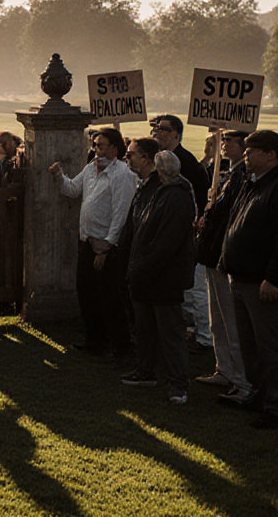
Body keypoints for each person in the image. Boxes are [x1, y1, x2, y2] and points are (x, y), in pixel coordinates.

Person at [219, 130, 278, 429]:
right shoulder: (253, 182)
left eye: (251, 151)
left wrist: (273, 279)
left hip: (265, 284)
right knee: (251, 348)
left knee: (273, 348)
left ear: (271, 154)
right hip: (243, 279)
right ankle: (259, 395)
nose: (245, 155)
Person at [50, 127, 137, 357]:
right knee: (87, 291)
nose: (96, 149)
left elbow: (120, 213)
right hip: (88, 240)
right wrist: (59, 176)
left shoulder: (123, 175)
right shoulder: (91, 169)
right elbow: (72, 189)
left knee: (109, 296)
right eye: (94, 145)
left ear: (114, 149)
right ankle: (95, 339)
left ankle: (121, 345)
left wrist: (107, 246)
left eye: (101, 145)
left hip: (107, 245)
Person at [120, 149, 197, 405]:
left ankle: (177, 384)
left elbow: (166, 241)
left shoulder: (176, 195)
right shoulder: (161, 190)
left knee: (170, 332)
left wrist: (141, 263)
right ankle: (146, 371)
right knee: (145, 328)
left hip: (163, 276)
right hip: (146, 273)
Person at [193, 130, 253, 401]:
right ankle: (225, 368)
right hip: (212, 253)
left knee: (231, 321)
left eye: (229, 142)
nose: (224, 146)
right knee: (218, 319)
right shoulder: (230, 173)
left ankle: (242, 379)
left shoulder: (243, 177)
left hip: (223, 255)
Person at [150, 114, 211, 354]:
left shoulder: (186, 160)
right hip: (171, 230)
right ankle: (191, 327)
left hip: (189, 230)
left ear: (177, 133)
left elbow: (202, 193)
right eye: (156, 128)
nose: (158, 132)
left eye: (164, 129)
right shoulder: (161, 158)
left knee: (196, 286)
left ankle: (205, 335)